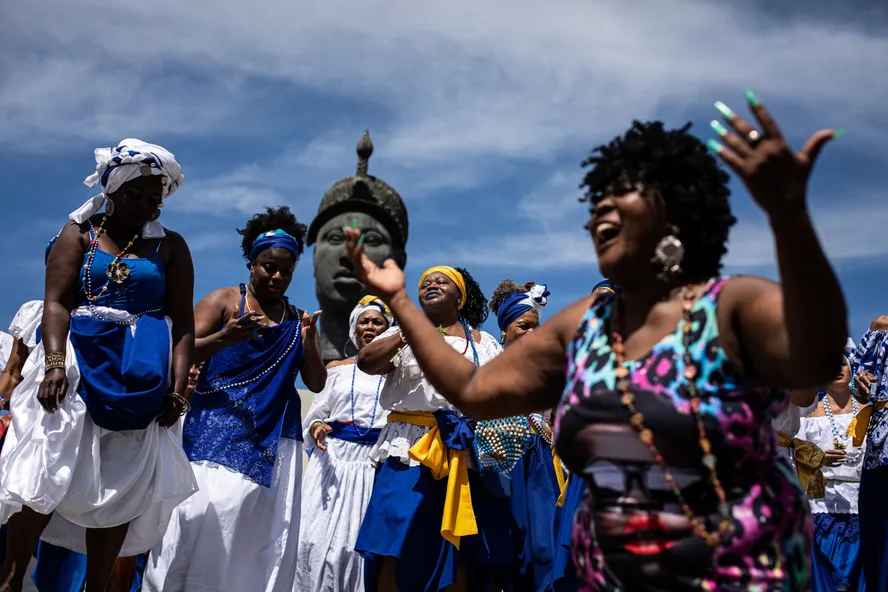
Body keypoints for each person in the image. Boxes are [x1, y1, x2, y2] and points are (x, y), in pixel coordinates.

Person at [344, 94, 848, 590]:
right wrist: (402, 303)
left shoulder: (730, 304)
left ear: (671, 212)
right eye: (595, 200)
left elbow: (815, 362)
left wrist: (789, 214)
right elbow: (474, 392)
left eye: (619, 194)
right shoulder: (583, 324)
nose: (597, 212)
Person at [0, 139, 197, 592]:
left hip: (139, 368)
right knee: (46, 469)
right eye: (138, 196)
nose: (149, 207)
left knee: (119, 483)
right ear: (113, 190)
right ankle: (11, 579)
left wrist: (179, 388)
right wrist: (52, 365)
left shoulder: (170, 247)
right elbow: (55, 304)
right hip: (74, 364)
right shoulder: (78, 235)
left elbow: (183, 324)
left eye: (156, 199)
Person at [143, 206, 325, 592]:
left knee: (257, 540)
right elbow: (177, 348)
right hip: (214, 434)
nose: (277, 276)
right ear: (251, 263)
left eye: (286, 270)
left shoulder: (298, 318)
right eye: (268, 267)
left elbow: (316, 382)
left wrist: (309, 342)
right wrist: (224, 338)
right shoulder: (225, 301)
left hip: (275, 439)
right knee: (199, 521)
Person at [354, 263, 510, 591]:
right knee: (393, 543)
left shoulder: (483, 342)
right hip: (407, 449)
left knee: (459, 551)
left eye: (442, 281)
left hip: (463, 453)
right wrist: (410, 330)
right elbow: (366, 362)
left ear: (460, 298)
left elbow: (501, 393)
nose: (431, 285)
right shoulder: (402, 334)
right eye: (425, 283)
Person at [490, 280, 584, 592]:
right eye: (523, 326)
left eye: (537, 327)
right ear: (504, 330)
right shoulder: (490, 370)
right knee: (512, 555)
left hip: (546, 470)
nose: (533, 333)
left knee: (546, 552)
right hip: (505, 471)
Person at [296, 296, 392, 592]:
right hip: (334, 463)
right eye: (364, 321)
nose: (370, 327)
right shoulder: (337, 368)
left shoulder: (397, 373)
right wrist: (316, 427)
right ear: (354, 329)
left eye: (377, 322)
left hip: (374, 464)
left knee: (351, 549)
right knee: (313, 539)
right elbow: (316, 413)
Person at [791, 345, 865, 591]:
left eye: (841, 363)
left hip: (863, 505)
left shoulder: (870, 412)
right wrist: (818, 458)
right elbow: (791, 457)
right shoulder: (807, 414)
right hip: (822, 505)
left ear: (851, 368)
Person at [847, 316, 888, 590]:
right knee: (879, 539)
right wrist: (861, 383)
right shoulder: (880, 327)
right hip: (882, 446)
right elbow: (858, 389)